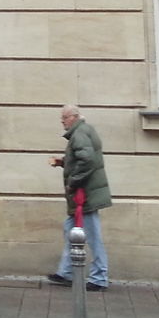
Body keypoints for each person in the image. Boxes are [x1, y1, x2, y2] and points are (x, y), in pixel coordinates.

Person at [46, 103, 111, 292]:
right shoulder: (84, 130)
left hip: (85, 195)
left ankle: (99, 278)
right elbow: (83, 158)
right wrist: (64, 162)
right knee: (70, 231)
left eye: (64, 117)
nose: (62, 121)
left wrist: (73, 181)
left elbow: (87, 160)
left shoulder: (79, 134)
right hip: (84, 194)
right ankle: (66, 273)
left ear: (73, 117)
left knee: (92, 236)